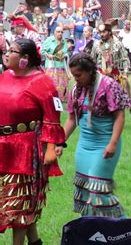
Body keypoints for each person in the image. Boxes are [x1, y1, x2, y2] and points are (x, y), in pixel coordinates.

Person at [0, 38, 65, 245]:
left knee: (19, 202)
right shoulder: (5, 76)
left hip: (26, 149)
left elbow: (52, 117)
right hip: (3, 146)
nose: (7, 54)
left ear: (25, 59)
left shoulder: (42, 82)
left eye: (12, 51)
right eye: (8, 50)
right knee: (11, 200)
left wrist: (51, 148)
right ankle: (35, 242)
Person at [57, 52, 131, 218]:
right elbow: (71, 119)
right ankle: (90, 230)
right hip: (85, 145)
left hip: (105, 143)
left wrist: (113, 143)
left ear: (90, 71)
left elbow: (120, 116)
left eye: (78, 75)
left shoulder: (108, 85)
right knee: (84, 191)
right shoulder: (76, 89)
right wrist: (59, 142)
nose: (75, 79)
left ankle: (122, 228)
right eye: (73, 75)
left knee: (98, 190)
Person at [41, 26, 69, 101]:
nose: (60, 33)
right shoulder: (49, 40)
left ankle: (60, 98)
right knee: (51, 83)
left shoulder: (64, 41)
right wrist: (48, 55)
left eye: (61, 32)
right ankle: (50, 97)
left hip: (61, 65)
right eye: (58, 32)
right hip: (51, 65)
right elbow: (42, 51)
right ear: (54, 32)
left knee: (62, 83)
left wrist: (65, 56)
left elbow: (66, 52)